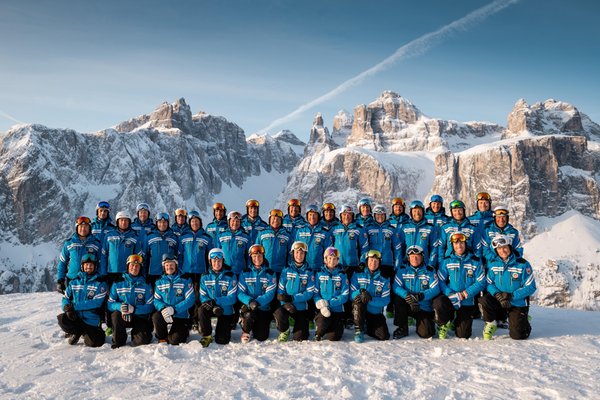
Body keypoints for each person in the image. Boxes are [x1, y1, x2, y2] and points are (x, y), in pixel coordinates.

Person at [479, 235, 537, 340]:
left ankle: (523, 320)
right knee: (485, 300)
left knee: (518, 335)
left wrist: (511, 296)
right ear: (496, 250)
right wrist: (498, 295)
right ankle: (491, 323)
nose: (503, 250)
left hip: (516, 301)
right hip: (500, 299)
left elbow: (531, 287)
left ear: (510, 247)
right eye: (499, 248)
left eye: (505, 247)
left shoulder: (522, 264)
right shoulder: (493, 264)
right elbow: (489, 283)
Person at [433, 232, 486, 339]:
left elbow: (481, 282)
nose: (459, 246)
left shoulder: (475, 261)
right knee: (438, 302)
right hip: (451, 298)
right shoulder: (447, 261)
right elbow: (440, 281)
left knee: (463, 335)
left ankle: (456, 321)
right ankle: (444, 323)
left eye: (462, 243)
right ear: (452, 246)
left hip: (467, 300)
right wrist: (449, 293)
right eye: (456, 244)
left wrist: (466, 293)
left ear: (466, 244)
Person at [57, 253, 107, 347]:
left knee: (94, 343)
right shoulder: (74, 282)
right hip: (76, 317)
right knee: (62, 319)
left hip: (91, 319)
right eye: (86, 265)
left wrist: (74, 306)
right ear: (82, 266)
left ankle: (90, 332)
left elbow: (96, 302)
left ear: (95, 267)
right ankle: (77, 332)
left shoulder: (100, 284)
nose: (89, 267)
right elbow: (66, 298)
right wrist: (67, 308)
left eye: (91, 265)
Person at [106, 254, 154, 348]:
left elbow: (150, 305)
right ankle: (119, 339)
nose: (134, 268)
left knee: (142, 342)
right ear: (127, 266)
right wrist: (120, 307)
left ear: (140, 268)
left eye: (137, 266)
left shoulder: (146, 284)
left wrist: (134, 309)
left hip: (139, 317)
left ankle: (136, 334)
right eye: (132, 265)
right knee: (115, 315)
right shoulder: (118, 283)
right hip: (123, 316)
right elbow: (110, 303)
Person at [392, 245, 440, 339]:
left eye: (417, 256)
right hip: (408, 303)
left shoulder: (429, 271)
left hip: (423, 306)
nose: (414, 258)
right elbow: (396, 286)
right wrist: (406, 295)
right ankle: (402, 327)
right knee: (398, 299)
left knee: (426, 334)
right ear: (408, 257)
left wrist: (421, 296)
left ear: (422, 256)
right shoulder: (402, 270)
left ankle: (424, 322)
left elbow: (436, 289)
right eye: (412, 256)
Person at [274, 241, 315, 342]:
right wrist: (286, 303)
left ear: (305, 255)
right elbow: (280, 291)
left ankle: (300, 326)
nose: (299, 255)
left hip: (301, 308)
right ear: (293, 254)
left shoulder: (309, 272)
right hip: (287, 306)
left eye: (302, 253)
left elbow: (309, 293)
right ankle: (285, 330)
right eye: (296, 253)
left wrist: (293, 298)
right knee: (279, 313)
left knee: (300, 338)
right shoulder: (286, 270)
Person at [198, 248, 238, 347]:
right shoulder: (205, 276)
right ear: (210, 262)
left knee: (222, 340)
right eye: (214, 261)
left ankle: (222, 330)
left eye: (219, 261)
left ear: (223, 261)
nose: (217, 263)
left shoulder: (230, 276)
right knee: (201, 309)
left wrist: (216, 302)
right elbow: (203, 295)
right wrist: (210, 303)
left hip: (225, 309)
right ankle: (206, 335)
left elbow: (232, 297)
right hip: (210, 306)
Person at [152, 254, 195, 345]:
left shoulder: (185, 279)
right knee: (156, 316)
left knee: (175, 341)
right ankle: (162, 338)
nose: (169, 267)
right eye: (167, 265)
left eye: (171, 264)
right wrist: (163, 308)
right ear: (164, 267)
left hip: (181, 315)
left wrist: (175, 309)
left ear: (176, 265)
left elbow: (190, 299)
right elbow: (156, 300)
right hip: (166, 313)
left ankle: (183, 331)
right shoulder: (159, 281)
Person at [237, 245, 277, 343]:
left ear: (263, 256)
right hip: (249, 306)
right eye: (254, 256)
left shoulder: (270, 273)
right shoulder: (245, 273)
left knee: (261, 337)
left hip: (263, 308)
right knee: (249, 315)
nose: (257, 259)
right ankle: (245, 330)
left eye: (259, 256)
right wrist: (250, 301)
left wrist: (258, 302)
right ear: (251, 257)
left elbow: (270, 293)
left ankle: (256, 325)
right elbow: (240, 292)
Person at [350, 250, 390, 343]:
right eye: (371, 260)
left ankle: (368, 327)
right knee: (358, 299)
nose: (373, 263)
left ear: (379, 263)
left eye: (376, 261)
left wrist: (370, 299)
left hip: (375, 312)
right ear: (367, 261)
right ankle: (359, 330)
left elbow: (386, 300)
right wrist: (360, 291)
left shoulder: (384, 278)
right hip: (360, 310)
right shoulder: (358, 274)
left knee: (383, 336)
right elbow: (351, 294)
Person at [56, 216, 101, 294]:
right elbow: (62, 262)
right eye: (81, 227)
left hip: (90, 280)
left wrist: (101, 277)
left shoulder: (96, 244)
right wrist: (60, 280)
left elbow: (101, 262)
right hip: (72, 279)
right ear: (77, 228)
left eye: (86, 227)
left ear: (90, 228)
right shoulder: (69, 243)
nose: (83, 229)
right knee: (71, 304)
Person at [313, 247, 349, 341]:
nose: (332, 261)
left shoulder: (342, 275)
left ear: (338, 261)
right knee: (320, 330)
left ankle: (334, 327)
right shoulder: (319, 274)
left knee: (334, 337)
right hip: (323, 309)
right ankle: (320, 327)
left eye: (334, 259)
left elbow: (345, 295)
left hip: (337, 310)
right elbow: (315, 292)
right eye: (329, 258)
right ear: (325, 259)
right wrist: (320, 302)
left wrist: (329, 302)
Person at [100, 211, 143, 282]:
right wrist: (103, 273)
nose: (124, 222)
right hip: (111, 272)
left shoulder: (135, 237)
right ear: (117, 222)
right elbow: (104, 255)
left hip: (127, 273)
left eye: (126, 220)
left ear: (129, 222)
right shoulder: (109, 235)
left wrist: (138, 274)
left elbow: (138, 257)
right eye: (121, 220)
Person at [364, 205, 402, 280]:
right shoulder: (368, 228)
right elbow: (364, 246)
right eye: (377, 215)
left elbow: (397, 248)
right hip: (373, 263)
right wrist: (364, 262)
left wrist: (397, 265)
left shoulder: (391, 229)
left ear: (385, 215)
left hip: (387, 262)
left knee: (387, 285)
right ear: (374, 215)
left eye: (382, 215)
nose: (380, 217)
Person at [398, 200, 438, 268]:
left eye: (419, 211)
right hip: (407, 264)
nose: (417, 213)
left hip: (424, 264)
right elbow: (400, 247)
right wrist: (400, 263)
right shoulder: (405, 227)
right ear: (411, 212)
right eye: (414, 211)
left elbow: (434, 247)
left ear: (423, 212)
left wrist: (431, 264)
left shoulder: (430, 228)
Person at [294, 204, 333, 272]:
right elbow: (295, 250)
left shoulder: (324, 232)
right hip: (303, 269)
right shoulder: (300, 231)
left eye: (315, 215)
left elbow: (328, 252)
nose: (312, 217)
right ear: (307, 216)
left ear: (318, 216)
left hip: (319, 269)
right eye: (310, 214)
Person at [144, 212, 178, 286]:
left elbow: (178, 255)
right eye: (160, 222)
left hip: (169, 273)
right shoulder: (150, 236)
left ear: (168, 223)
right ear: (156, 223)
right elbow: (145, 255)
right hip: (153, 272)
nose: (162, 224)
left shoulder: (173, 237)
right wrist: (144, 273)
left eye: (164, 222)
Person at [255, 209, 292, 274]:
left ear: (281, 221)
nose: (275, 221)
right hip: (264, 270)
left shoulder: (287, 235)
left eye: (278, 219)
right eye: (273, 218)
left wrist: (288, 268)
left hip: (281, 270)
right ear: (269, 219)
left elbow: (290, 254)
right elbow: (256, 251)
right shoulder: (262, 233)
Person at [216, 211, 250, 275]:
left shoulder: (246, 237)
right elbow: (217, 253)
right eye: (233, 221)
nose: (235, 223)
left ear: (240, 222)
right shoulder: (221, 235)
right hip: (224, 271)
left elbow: (249, 256)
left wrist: (248, 270)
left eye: (237, 221)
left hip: (240, 271)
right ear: (229, 222)